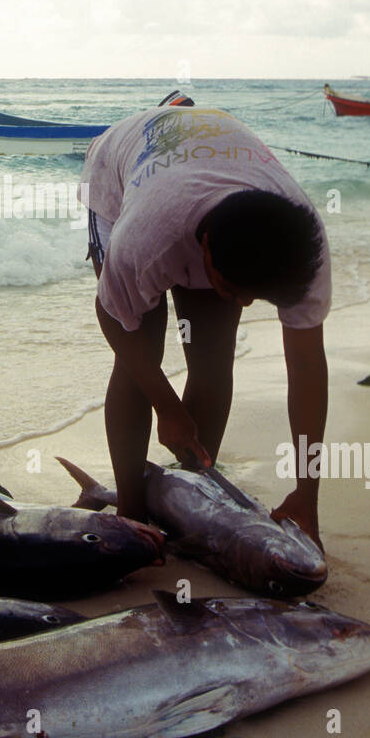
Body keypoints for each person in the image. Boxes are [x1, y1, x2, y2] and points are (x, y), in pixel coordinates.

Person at [82, 103, 329, 547]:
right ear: (206, 250)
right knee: (141, 360)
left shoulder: (302, 247)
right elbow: (113, 319)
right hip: (123, 169)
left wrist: (307, 492)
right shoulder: (147, 237)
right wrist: (167, 406)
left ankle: (193, 496)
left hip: (213, 172)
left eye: (254, 295)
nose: (245, 303)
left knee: (213, 363)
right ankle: (132, 511)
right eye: (234, 289)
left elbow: (308, 370)